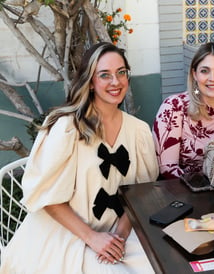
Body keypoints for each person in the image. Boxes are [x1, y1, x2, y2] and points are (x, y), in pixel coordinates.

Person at [0, 42, 159, 273]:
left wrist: (120, 236)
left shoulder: (139, 131)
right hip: (65, 232)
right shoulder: (66, 128)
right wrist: (93, 238)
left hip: (118, 228)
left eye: (121, 73)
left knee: (159, 265)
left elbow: (141, 192)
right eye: (104, 75)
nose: (116, 82)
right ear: (90, 82)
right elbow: (48, 198)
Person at [153, 42, 214, 179]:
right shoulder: (174, 107)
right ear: (194, 74)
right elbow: (167, 169)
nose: (212, 78)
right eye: (204, 71)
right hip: (176, 193)